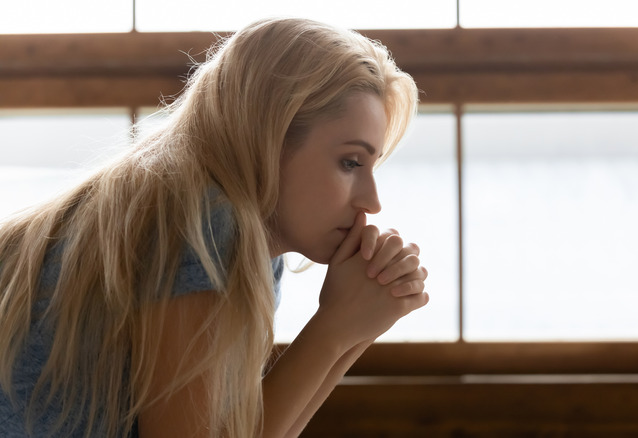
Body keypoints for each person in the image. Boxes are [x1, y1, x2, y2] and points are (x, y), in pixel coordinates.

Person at [0, 17, 429, 438]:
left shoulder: (246, 244)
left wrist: (353, 329)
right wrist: (334, 328)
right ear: (269, 137)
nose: (371, 201)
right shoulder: (203, 224)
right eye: (350, 162)